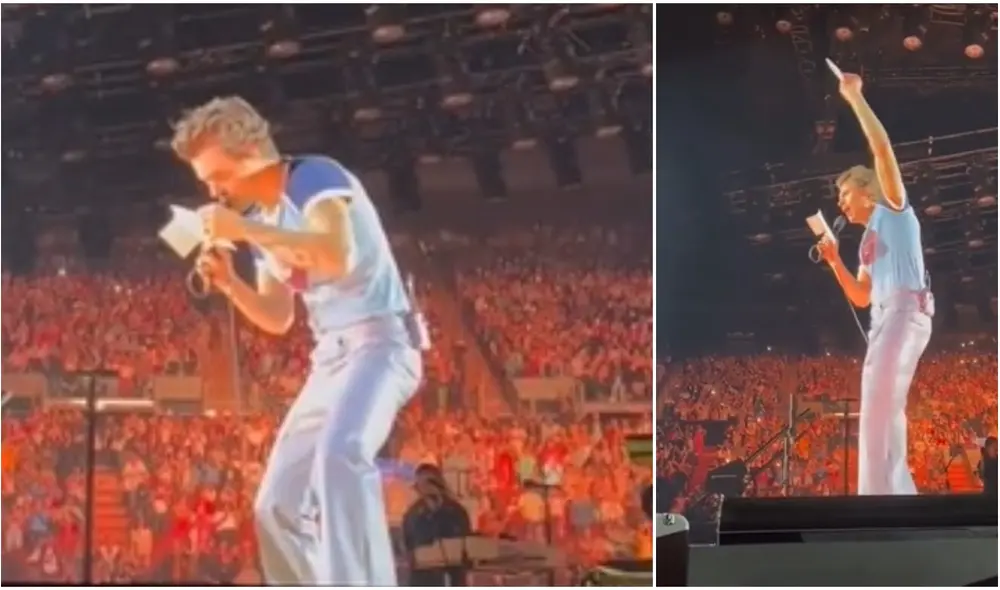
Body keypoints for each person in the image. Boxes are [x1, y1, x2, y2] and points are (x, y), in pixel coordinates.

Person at [170, 96, 426, 585]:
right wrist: (230, 282)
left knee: (341, 454)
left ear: (249, 154)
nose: (211, 190)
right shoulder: (264, 221)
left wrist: (244, 230)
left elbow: (334, 256)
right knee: (276, 507)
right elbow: (277, 317)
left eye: (216, 175)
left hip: (382, 343)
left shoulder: (313, 177)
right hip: (329, 359)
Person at [815, 72, 933, 496]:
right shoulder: (867, 238)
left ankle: (879, 500)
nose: (841, 203)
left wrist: (854, 97)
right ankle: (896, 496)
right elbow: (862, 297)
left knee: (878, 407)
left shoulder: (896, 210)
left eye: (846, 193)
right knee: (885, 408)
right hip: (884, 318)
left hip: (904, 311)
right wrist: (834, 262)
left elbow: (882, 148)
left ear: (868, 189)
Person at [401, 464, 472, 587]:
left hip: (452, 578)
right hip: (422, 580)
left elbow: (466, 543)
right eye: (422, 483)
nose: (426, 487)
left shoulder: (456, 511)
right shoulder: (413, 514)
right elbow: (406, 544)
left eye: (431, 482)